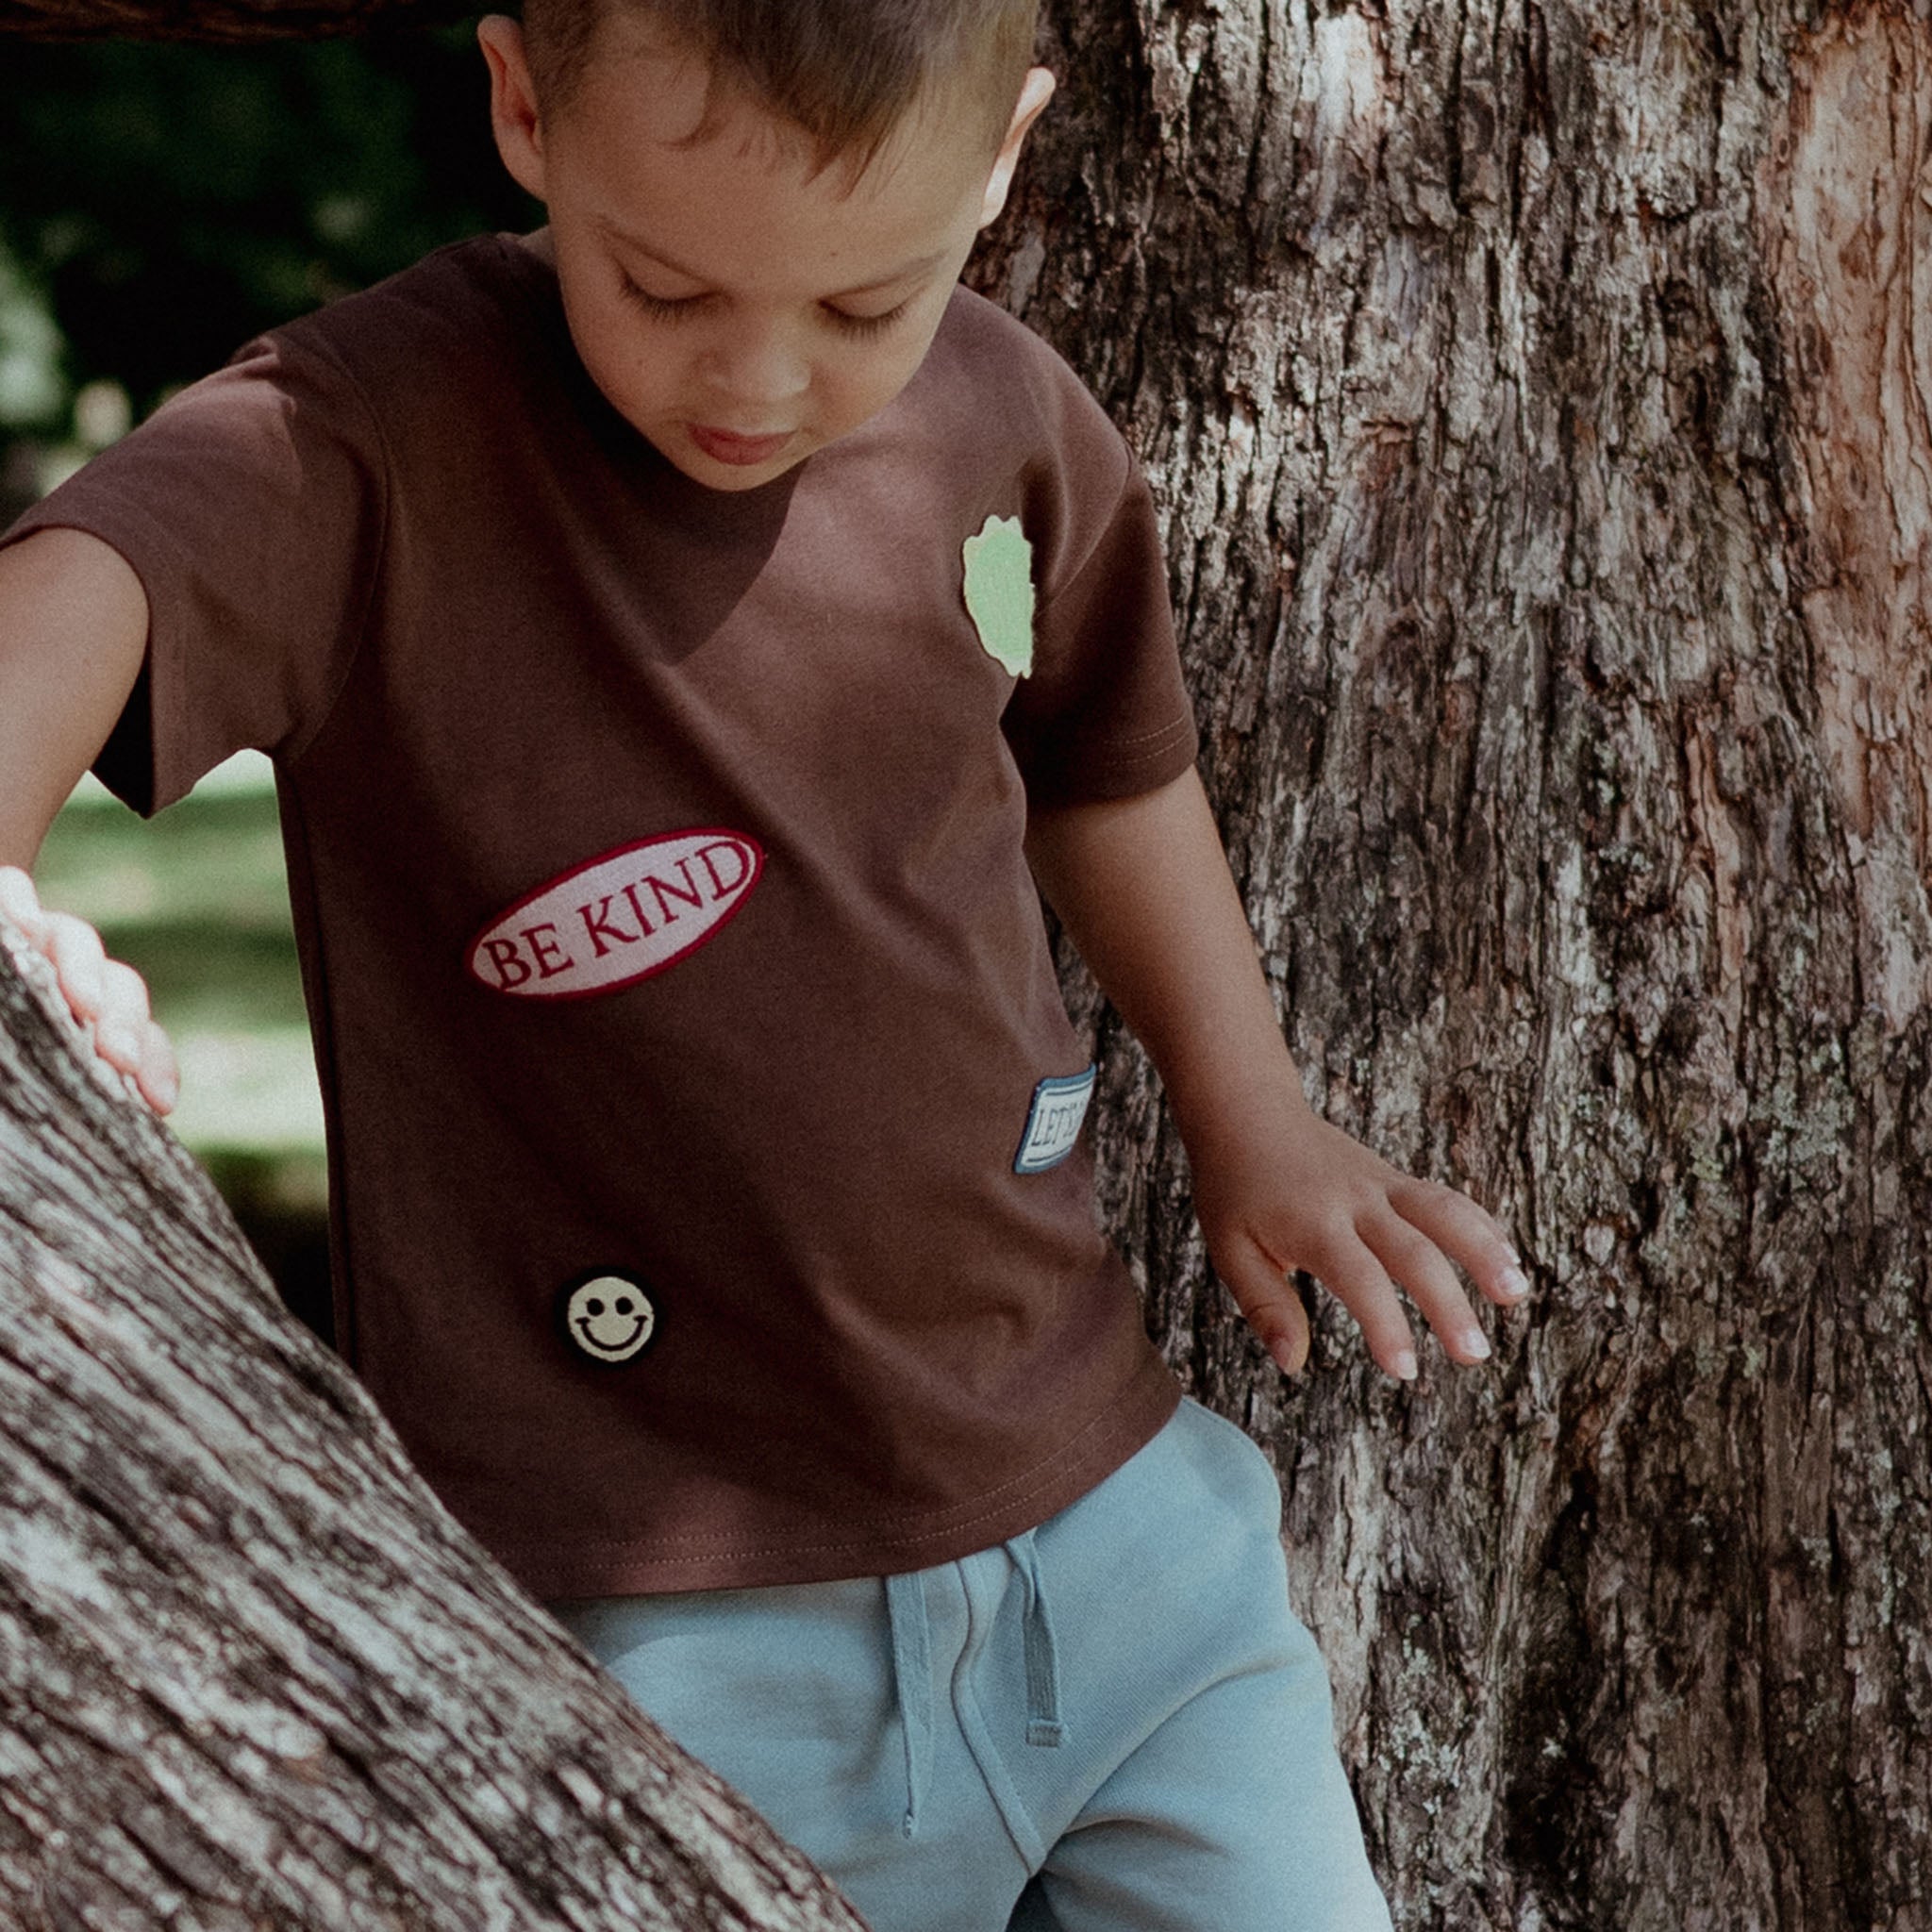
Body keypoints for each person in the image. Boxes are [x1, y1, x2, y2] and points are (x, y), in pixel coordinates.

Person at [0, 2, 1532, 1924]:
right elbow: (88, 585)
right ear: (522, 104)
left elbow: (1104, 763)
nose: (759, 378)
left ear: (1000, 162)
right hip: (662, 1645)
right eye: (663, 285)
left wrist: (1257, 1115)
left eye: (863, 306)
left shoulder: (1009, 421)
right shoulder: (362, 441)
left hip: (1126, 1554)